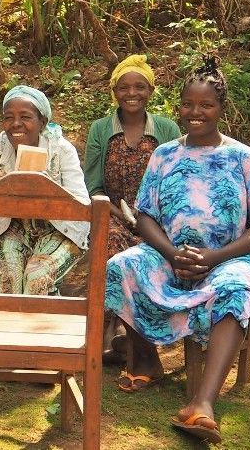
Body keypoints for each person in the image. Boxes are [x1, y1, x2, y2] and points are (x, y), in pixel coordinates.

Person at [105, 57, 250, 445]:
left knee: (237, 286)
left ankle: (203, 402)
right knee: (122, 265)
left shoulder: (243, 157)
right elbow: (145, 216)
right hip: (171, 255)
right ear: (177, 106)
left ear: (221, 109)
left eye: (206, 105)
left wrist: (213, 257)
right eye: (187, 105)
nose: (195, 113)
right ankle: (147, 358)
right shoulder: (164, 154)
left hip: (230, 257)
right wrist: (171, 253)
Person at [83, 54, 181, 363]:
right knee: (111, 243)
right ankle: (118, 333)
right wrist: (121, 215)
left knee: (149, 254)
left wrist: (147, 221)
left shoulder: (166, 129)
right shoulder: (100, 129)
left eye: (140, 87)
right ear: (114, 92)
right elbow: (93, 186)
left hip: (156, 219)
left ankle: (133, 333)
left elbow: (177, 181)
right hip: (114, 214)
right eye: (124, 87)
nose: (132, 94)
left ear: (151, 91)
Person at [0, 85, 89, 295]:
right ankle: (6, 328)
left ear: (43, 122)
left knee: (37, 277)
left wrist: (45, 190)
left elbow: (83, 204)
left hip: (60, 229)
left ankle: (41, 327)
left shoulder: (61, 150)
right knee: (7, 280)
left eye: (25, 117)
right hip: (14, 228)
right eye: (8, 117)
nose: (16, 124)